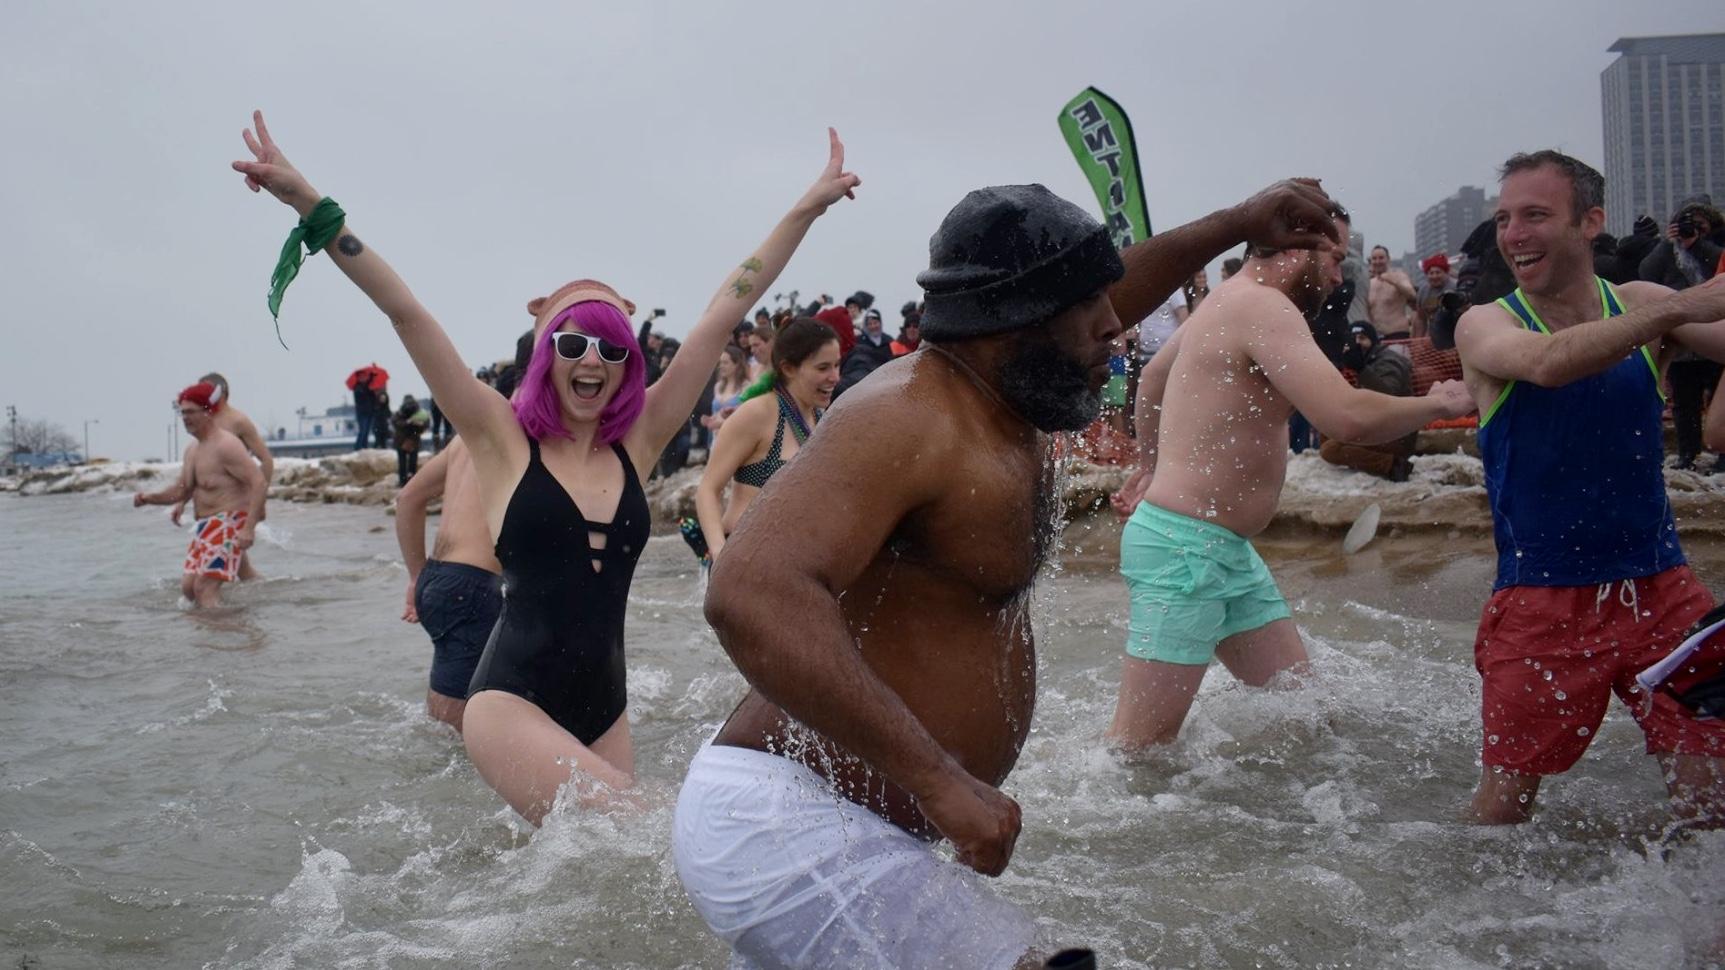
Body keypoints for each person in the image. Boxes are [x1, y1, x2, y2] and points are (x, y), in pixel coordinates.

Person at [674, 179, 1345, 969]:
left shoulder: (1001, 389)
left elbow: (1099, 296)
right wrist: (936, 782)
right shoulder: (906, 416)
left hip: (850, 827)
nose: (1115, 327)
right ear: (1013, 321)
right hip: (788, 825)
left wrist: (1233, 224)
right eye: (1089, 309)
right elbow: (748, 592)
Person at [233, 111, 859, 824]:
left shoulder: (640, 440)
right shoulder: (500, 440)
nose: (592, 360)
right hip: (507, 704)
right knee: (658, 834)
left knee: (598, 900)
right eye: (574, 344)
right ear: (545, 356)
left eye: (611, 349)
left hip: (605, 705)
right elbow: (405, 312)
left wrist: (805, 209)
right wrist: (311, 205)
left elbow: (729, 305)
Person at [1105, 205, 1474, 750]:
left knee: (1306, 719)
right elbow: (1343, 417)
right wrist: (1436, 404)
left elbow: (1154, 380)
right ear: (1295, 245)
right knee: (1136, 754)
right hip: (1184, 552)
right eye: (1334, 257)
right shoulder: (1263, 306)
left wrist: (1150, 465)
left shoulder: (1225, 298)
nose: (1337, 275)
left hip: (1222, 550)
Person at [1451, 150, 1725, 826]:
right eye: (1504, 218)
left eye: (1535, 215)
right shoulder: (1489, 322)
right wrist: (1682, 307)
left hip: (1661, 590)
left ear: (1589, 223)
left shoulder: (1637, 301)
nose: (1513, 234)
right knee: (1500, 817)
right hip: (1541, 601)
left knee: (1712, 805)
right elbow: (1546, 366)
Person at [693, 319, 840, 563]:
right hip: (746, 560)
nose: (835, 377)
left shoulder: (821, 417)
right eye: (823, 368)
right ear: (789, 368)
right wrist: (719, 552)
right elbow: (707, 489)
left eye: (837, 365)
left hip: (797, 564)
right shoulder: (756, 413)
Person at [396, 437, 501, 732]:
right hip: (475, 587)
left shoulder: (468, 433)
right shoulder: (526, 431)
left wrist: (417, 577)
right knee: (457, 734)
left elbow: (408, 499)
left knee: (442, 721)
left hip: (438, 577)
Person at [133, 383, 266, 608]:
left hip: (229, 522)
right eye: (182, 412)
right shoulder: (192, 450)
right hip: (206, 525)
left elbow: (258, 482)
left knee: (204, 587)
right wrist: (149, 498)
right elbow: (182, 489)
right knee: (188, 588)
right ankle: (229, 623)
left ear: (207, 412)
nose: (185, 418)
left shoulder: (226, 445)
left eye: (190, 412)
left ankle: (221, 640)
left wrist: (249, 527)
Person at [170, 372, 274, 581]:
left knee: (213, 577)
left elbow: (266, 460)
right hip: (211, 507)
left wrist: (260, 503)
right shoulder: (203, 420)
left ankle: (220, 605)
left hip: (233, 505)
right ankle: (263, 595)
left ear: (221, 393)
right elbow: (199, 468)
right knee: (240, 567)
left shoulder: (238, 421)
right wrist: (182, 501)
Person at [1318, 322, 1418, 481]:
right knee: (1327, 427)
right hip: (1378, 425)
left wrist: (1361, 369)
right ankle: (1362, 456)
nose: (1357, 342)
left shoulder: (1389, 361)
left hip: (1397, 433)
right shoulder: (1367, 359)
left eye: (1362, 338)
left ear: (1373, 340)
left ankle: (1393, 465)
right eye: (1353, 339)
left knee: (1330, 450)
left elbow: (1389, 395)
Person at [833, 306, 894, 398]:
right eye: (870, 324)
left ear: (880, 323)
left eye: (875, 323)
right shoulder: (858, 341)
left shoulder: (890, 341)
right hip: (861, 381)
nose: (873, 326)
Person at [1367, 244, 1419, 340]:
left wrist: (1393, 281)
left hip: (1397, 333)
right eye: (1374, 258)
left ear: (1388, 259)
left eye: (1381, 258)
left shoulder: (1399, 276)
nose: (1377, 261)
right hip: (1376, 336)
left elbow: (1412, 294)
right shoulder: (1369, 284)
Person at [699, 344, 751, 437]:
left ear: (737, 365)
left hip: (735, 437)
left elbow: (745, 418)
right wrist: (709, 419)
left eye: (725, 363)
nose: (721, 366)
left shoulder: (746, 386)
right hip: (715, 438)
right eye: (720, 363)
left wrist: (721, 424)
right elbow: (717, 414)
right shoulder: (718, 386)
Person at [391, 393, 431, 486]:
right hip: (404, 439)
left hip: (411, 439)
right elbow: (396, 423)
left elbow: (426, 424)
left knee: (407, 462)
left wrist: (419, 424)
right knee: (406, 462)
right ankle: (405, 480)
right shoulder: (400, 413)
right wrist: (409, 422)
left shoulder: (419, 414)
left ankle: (407, 480)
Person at [1416, 253, 1455, 334]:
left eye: (1438, 272)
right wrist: (1419, 339)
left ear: (1446, 273)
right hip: (1433, 335)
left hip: (1455, 333)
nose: (1434, 276)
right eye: (1431, 273)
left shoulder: (1455, 287)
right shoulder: (1423, 291)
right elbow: (1420, 318)